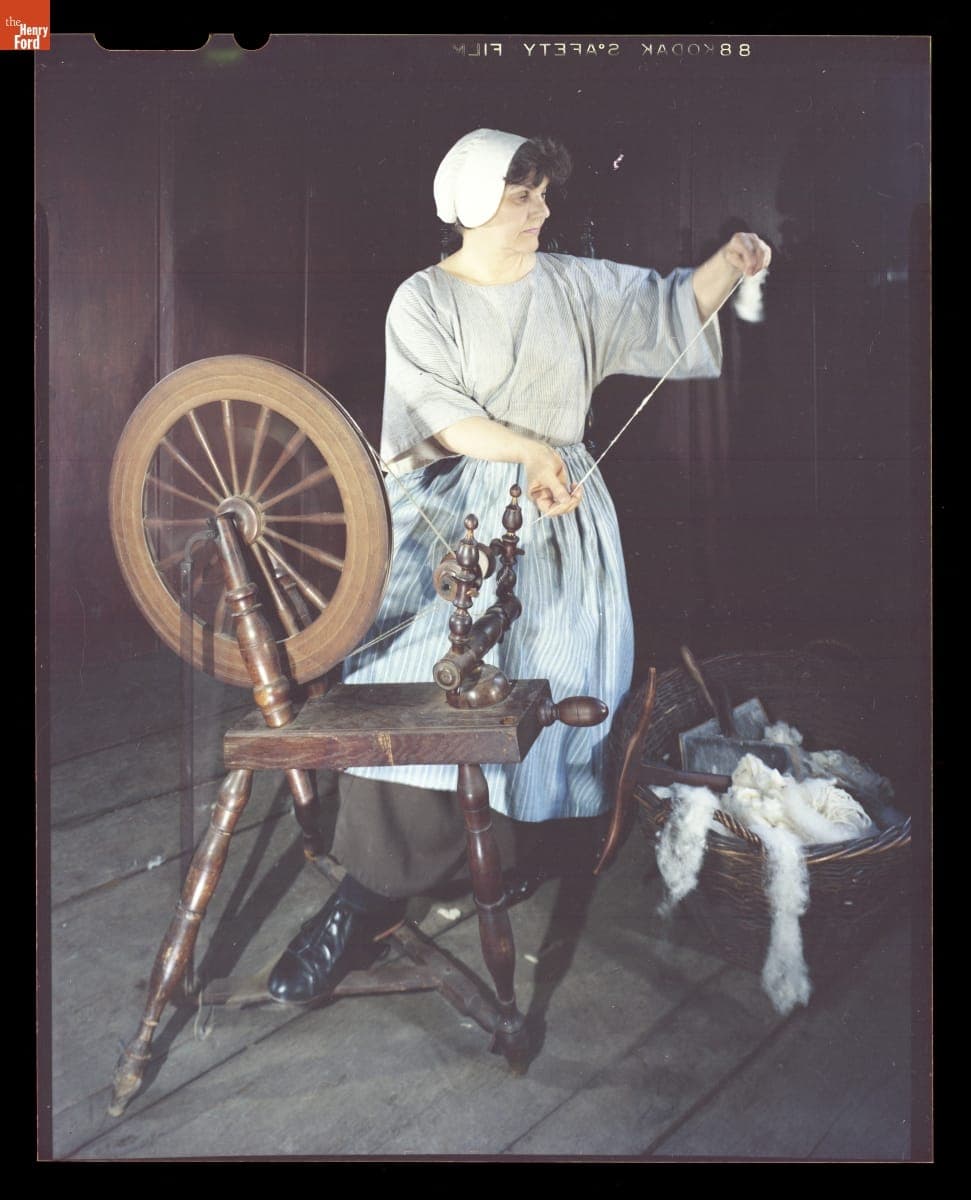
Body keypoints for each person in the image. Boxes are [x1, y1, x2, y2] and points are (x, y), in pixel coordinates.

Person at [268, 128, 771, 1005]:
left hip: (561, 519)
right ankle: (368, 898)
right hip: (448, 515)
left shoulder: (570, 283)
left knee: (555, 673)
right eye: (520, 194)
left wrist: (727, 266)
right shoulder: (422, 299)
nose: (540, 208)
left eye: (542, 192)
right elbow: (438, 414)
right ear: (468, 202)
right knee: (416, 678)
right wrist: (528, 451)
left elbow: (661, 308)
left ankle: (496, 864)